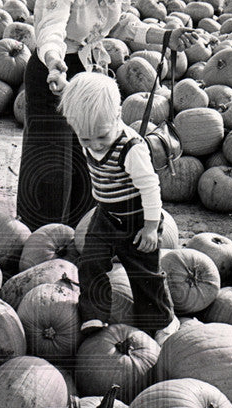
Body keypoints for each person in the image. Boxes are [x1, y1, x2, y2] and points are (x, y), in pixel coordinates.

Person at [16, 0, 190, 232]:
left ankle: (80, 245)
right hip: (55, 72)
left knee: (90, 164)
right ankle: (42, 248)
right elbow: (51, 28)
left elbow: (118, 20)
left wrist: (162, 36)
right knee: (54, 171)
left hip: (89, 71)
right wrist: (53, 62)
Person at [58, 71, 180, 345]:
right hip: (106, 216)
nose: (95, 145)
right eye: (86, 140)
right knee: (90, 262)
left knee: (144, 274)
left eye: (101, 136)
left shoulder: (131, 148)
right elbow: (75, 103)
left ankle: (163, 321)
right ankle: (95, 313)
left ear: (118, 115)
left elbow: (150, 188)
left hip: (137, 220)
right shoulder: (89, 129)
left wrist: (151, 228)